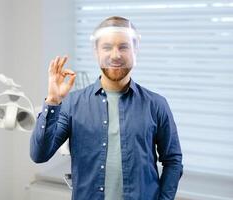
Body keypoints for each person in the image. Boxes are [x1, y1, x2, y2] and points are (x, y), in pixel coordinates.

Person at [30, 16, 183, 200]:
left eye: (123, 47)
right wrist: (53, 101)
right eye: (107, 47)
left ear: (135, 49)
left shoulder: (156, 104)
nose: (115, 55)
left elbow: (173, 161)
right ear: (96, 51)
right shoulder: (72, 104)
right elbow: (39, 155)